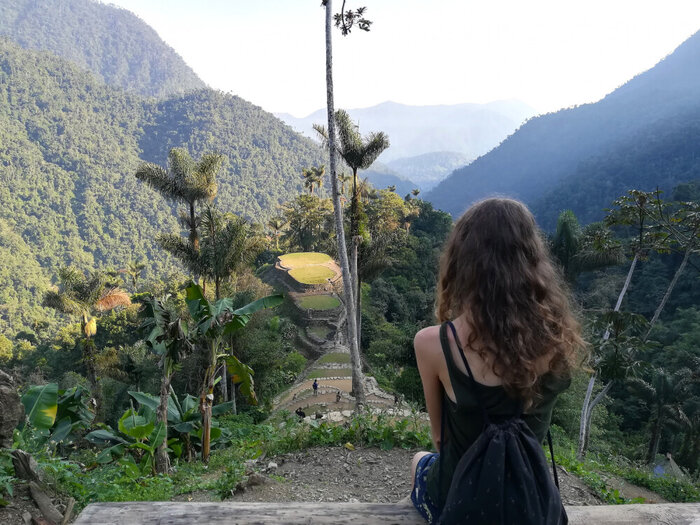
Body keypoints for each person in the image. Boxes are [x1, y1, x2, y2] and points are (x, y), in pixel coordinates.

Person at [409, 198, 585, 523]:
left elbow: (440, 438)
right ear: (531, 261)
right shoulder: (557, 340)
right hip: (529, 499)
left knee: (420, 460)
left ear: (461, 262)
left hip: (460, 498)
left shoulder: (432, 343)